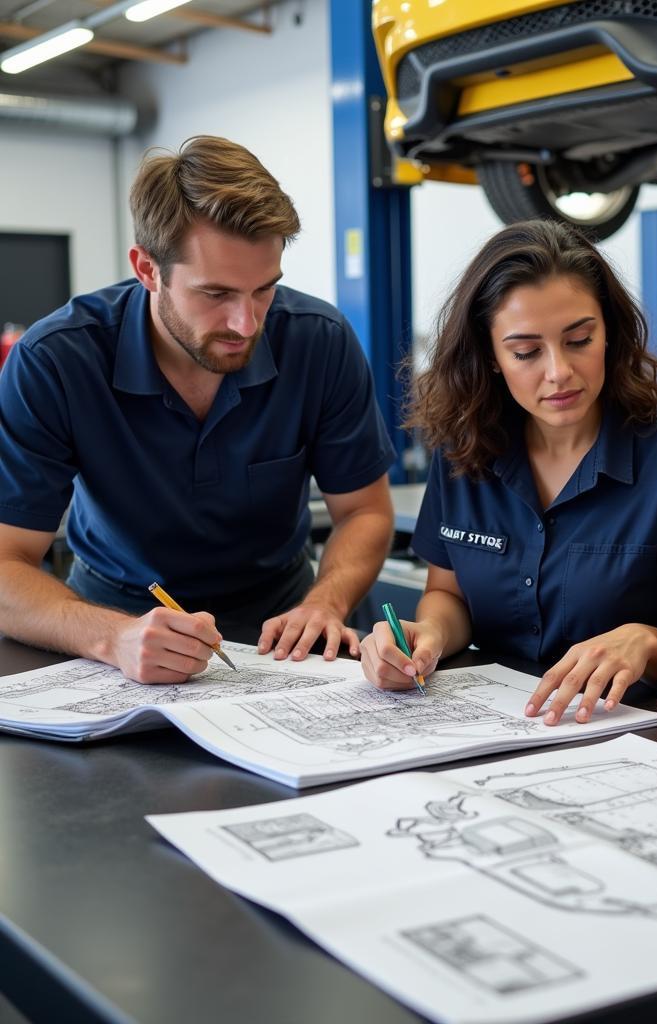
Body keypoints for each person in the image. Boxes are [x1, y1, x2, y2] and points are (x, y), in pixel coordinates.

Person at [0, 136, 395, 683]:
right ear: (148, 270)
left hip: (283, 627)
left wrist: (325, 602)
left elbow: (364, 512)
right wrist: (113, 636)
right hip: (111, 624)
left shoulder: (318, 341)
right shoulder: (56, 360)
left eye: (264, 290)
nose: (246, 323)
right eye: (216, 294)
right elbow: (5, 566)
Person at [359, 220, 657, 724]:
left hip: (634, 734)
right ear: (492, 356)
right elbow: (448, 594)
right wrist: (429, 634)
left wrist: (644, 640)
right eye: (525, 352)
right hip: (493, 724)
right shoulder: (462, 452)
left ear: (609, 332)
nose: (559, 371)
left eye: (579, 340)